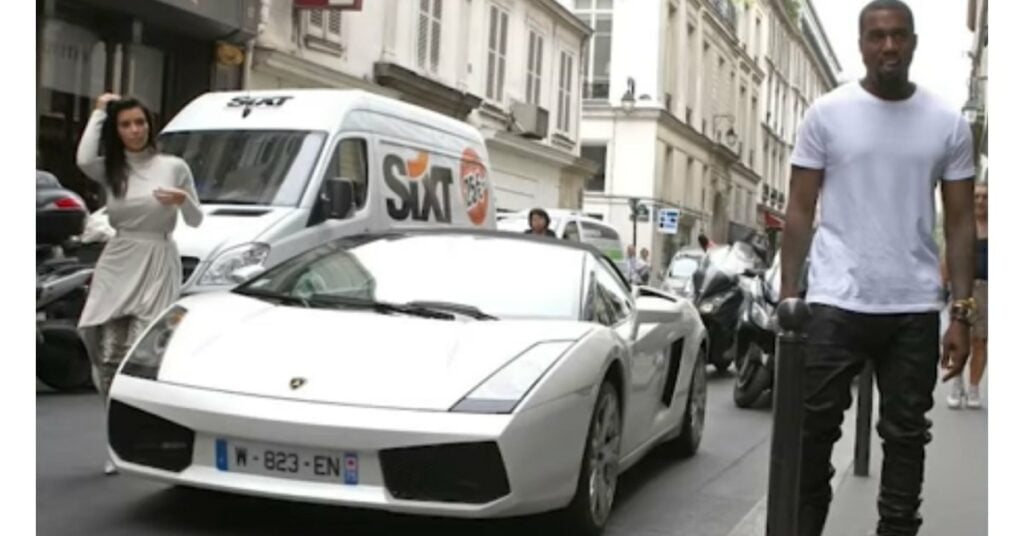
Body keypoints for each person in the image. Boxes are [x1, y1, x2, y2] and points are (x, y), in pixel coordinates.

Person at [778, 2, 976, 535]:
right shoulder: (826, 114)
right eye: (877, 36)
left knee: (907, 440)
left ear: (913, 42)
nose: (888, 46)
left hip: (912, 307)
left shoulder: (948, 123)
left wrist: (962, 313)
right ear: (861, 44)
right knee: (811, 437)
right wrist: (788, 294)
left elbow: (960, 224)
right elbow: (799, 210)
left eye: (898, 36)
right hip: (834, 302)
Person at [76, 93, 204, 474]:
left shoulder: (174, 166)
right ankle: (115, 438)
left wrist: (183, 200)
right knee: (107, 354)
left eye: (140, 123)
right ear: (117, 131)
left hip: (158, 261)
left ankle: (139, 440)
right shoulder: (111, 169)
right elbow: (83, 159)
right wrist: (99, 111)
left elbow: (196, 220)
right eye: (125, 124)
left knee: (139, 355)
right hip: (118, 260)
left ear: (150, 125)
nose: (134, 131)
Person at [944, 182, 987, 409]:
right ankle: (956, 382)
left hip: (987, 290)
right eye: (977, 197)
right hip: (963, 288)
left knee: (980, 341)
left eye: (986, 197)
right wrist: (942, 287)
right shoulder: (964, 227)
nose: (981, 201)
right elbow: (948, 258)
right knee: (959, 335)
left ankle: (973, 388)